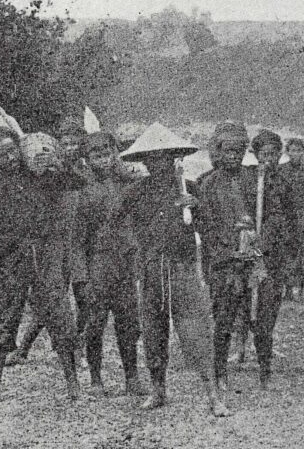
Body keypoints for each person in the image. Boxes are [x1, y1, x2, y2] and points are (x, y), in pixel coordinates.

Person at [119, 123, 229, 417]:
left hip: (182, 268)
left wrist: (198, 207)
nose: (158, 164)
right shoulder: (135, 192)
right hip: (150, 268)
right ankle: (158, 389)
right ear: (145, 162)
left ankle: (213, 394)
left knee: (195, 331)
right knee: (153, 331)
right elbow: (118, 225)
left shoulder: (188, 188)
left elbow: (209, 229)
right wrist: (136, 250)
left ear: (174, 159)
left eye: (165, 158)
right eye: (152, 159)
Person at [0, 126, 82, 406]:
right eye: (3, 154)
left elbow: (75, 182)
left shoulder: (38, 175)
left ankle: (73, 384)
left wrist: (57, 164)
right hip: (12, 262)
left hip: (45, 258)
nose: (11, 157)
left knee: (60, 318)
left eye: (13, 150)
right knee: (6, 322)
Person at [197, 124, 290, 391]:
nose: (233, 156)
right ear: (218, 152)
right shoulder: (209, 184)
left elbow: (274, 214)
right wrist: (230, 242)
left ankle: (265, 372)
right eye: (227, 151)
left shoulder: (256, 179)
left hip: (256, 259)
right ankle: (220, 373)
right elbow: (205, 224)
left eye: (238, 151)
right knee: (224, 319)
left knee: (262, 318)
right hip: (226, 262)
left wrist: (260, 238)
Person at [8, 120, 90, 366]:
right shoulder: (47, 170)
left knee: (84, 297)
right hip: (57, 242)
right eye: (66, 143)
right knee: (52, 298)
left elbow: (82, 182)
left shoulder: (87, 168)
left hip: (82, 242)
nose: (71, 148)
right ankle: (24, 348)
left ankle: (77, 345)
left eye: (75, 143)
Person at [78, 131, 145, 396]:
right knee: (95, 324)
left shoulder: (127, 181)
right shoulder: (82, 187)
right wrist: (81, 276)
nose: (103, 160)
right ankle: (96, 379)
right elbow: (77, 238)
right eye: (97, 156)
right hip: (97, 263)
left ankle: (132, 377)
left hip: (125, 261)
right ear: (87, 159)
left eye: (107, 154)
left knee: (128, 322)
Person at [278, 138, 304, 301]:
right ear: (287, 152)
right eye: (293, 150)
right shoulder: (280, 170)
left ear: (303, 152)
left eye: (299, 151)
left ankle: (300, 290)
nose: (296, 154)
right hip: (286, 218)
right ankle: (288, 290)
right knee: (287, 253)